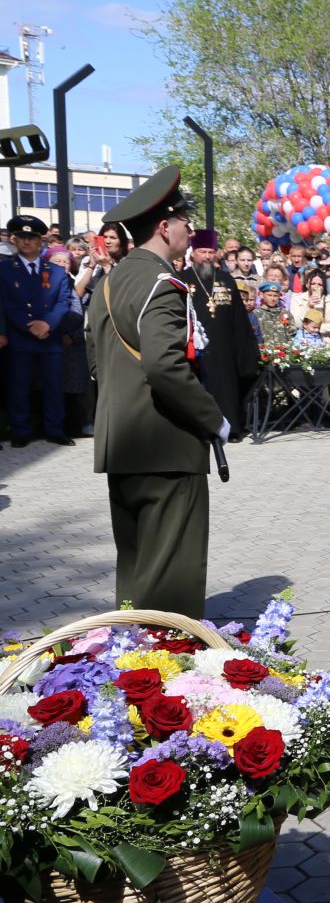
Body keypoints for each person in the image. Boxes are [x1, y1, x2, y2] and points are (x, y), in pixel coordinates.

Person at [87, 168, 228, 616]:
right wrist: (213, 419)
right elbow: (165, 365)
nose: (191, 229)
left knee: (135, 568)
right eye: (186, 221)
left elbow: (96, 362)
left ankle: (131, 669)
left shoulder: (108, 282)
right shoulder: (163, 282)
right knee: (171, 577)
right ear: (165, 227)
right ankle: (167, 669)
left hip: (121, 441)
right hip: (165, 443)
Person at [1, 214, 76, 446]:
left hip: (49, 336)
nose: (26, 242)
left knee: (53, 386)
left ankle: (54, 429)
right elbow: (4, 303)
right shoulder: (4, 269)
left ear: (41, 241)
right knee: (19, 386)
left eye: (32, 237)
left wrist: (48, 324)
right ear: (14, 239)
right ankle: (21, 431)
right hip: (20, 335)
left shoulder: (55, 271)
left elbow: (63, 301)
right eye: (22, 237)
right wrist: (29, 324)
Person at [183, 229, 261, 430]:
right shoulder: (182, 279)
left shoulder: (226, 280)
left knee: (226, 387)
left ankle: (230, 427)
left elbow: (239, 319)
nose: (207, 257)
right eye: (202, 252)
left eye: (210, 252)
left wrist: (245, 350)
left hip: (224, 346)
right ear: (193, 253)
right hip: (194, 349)